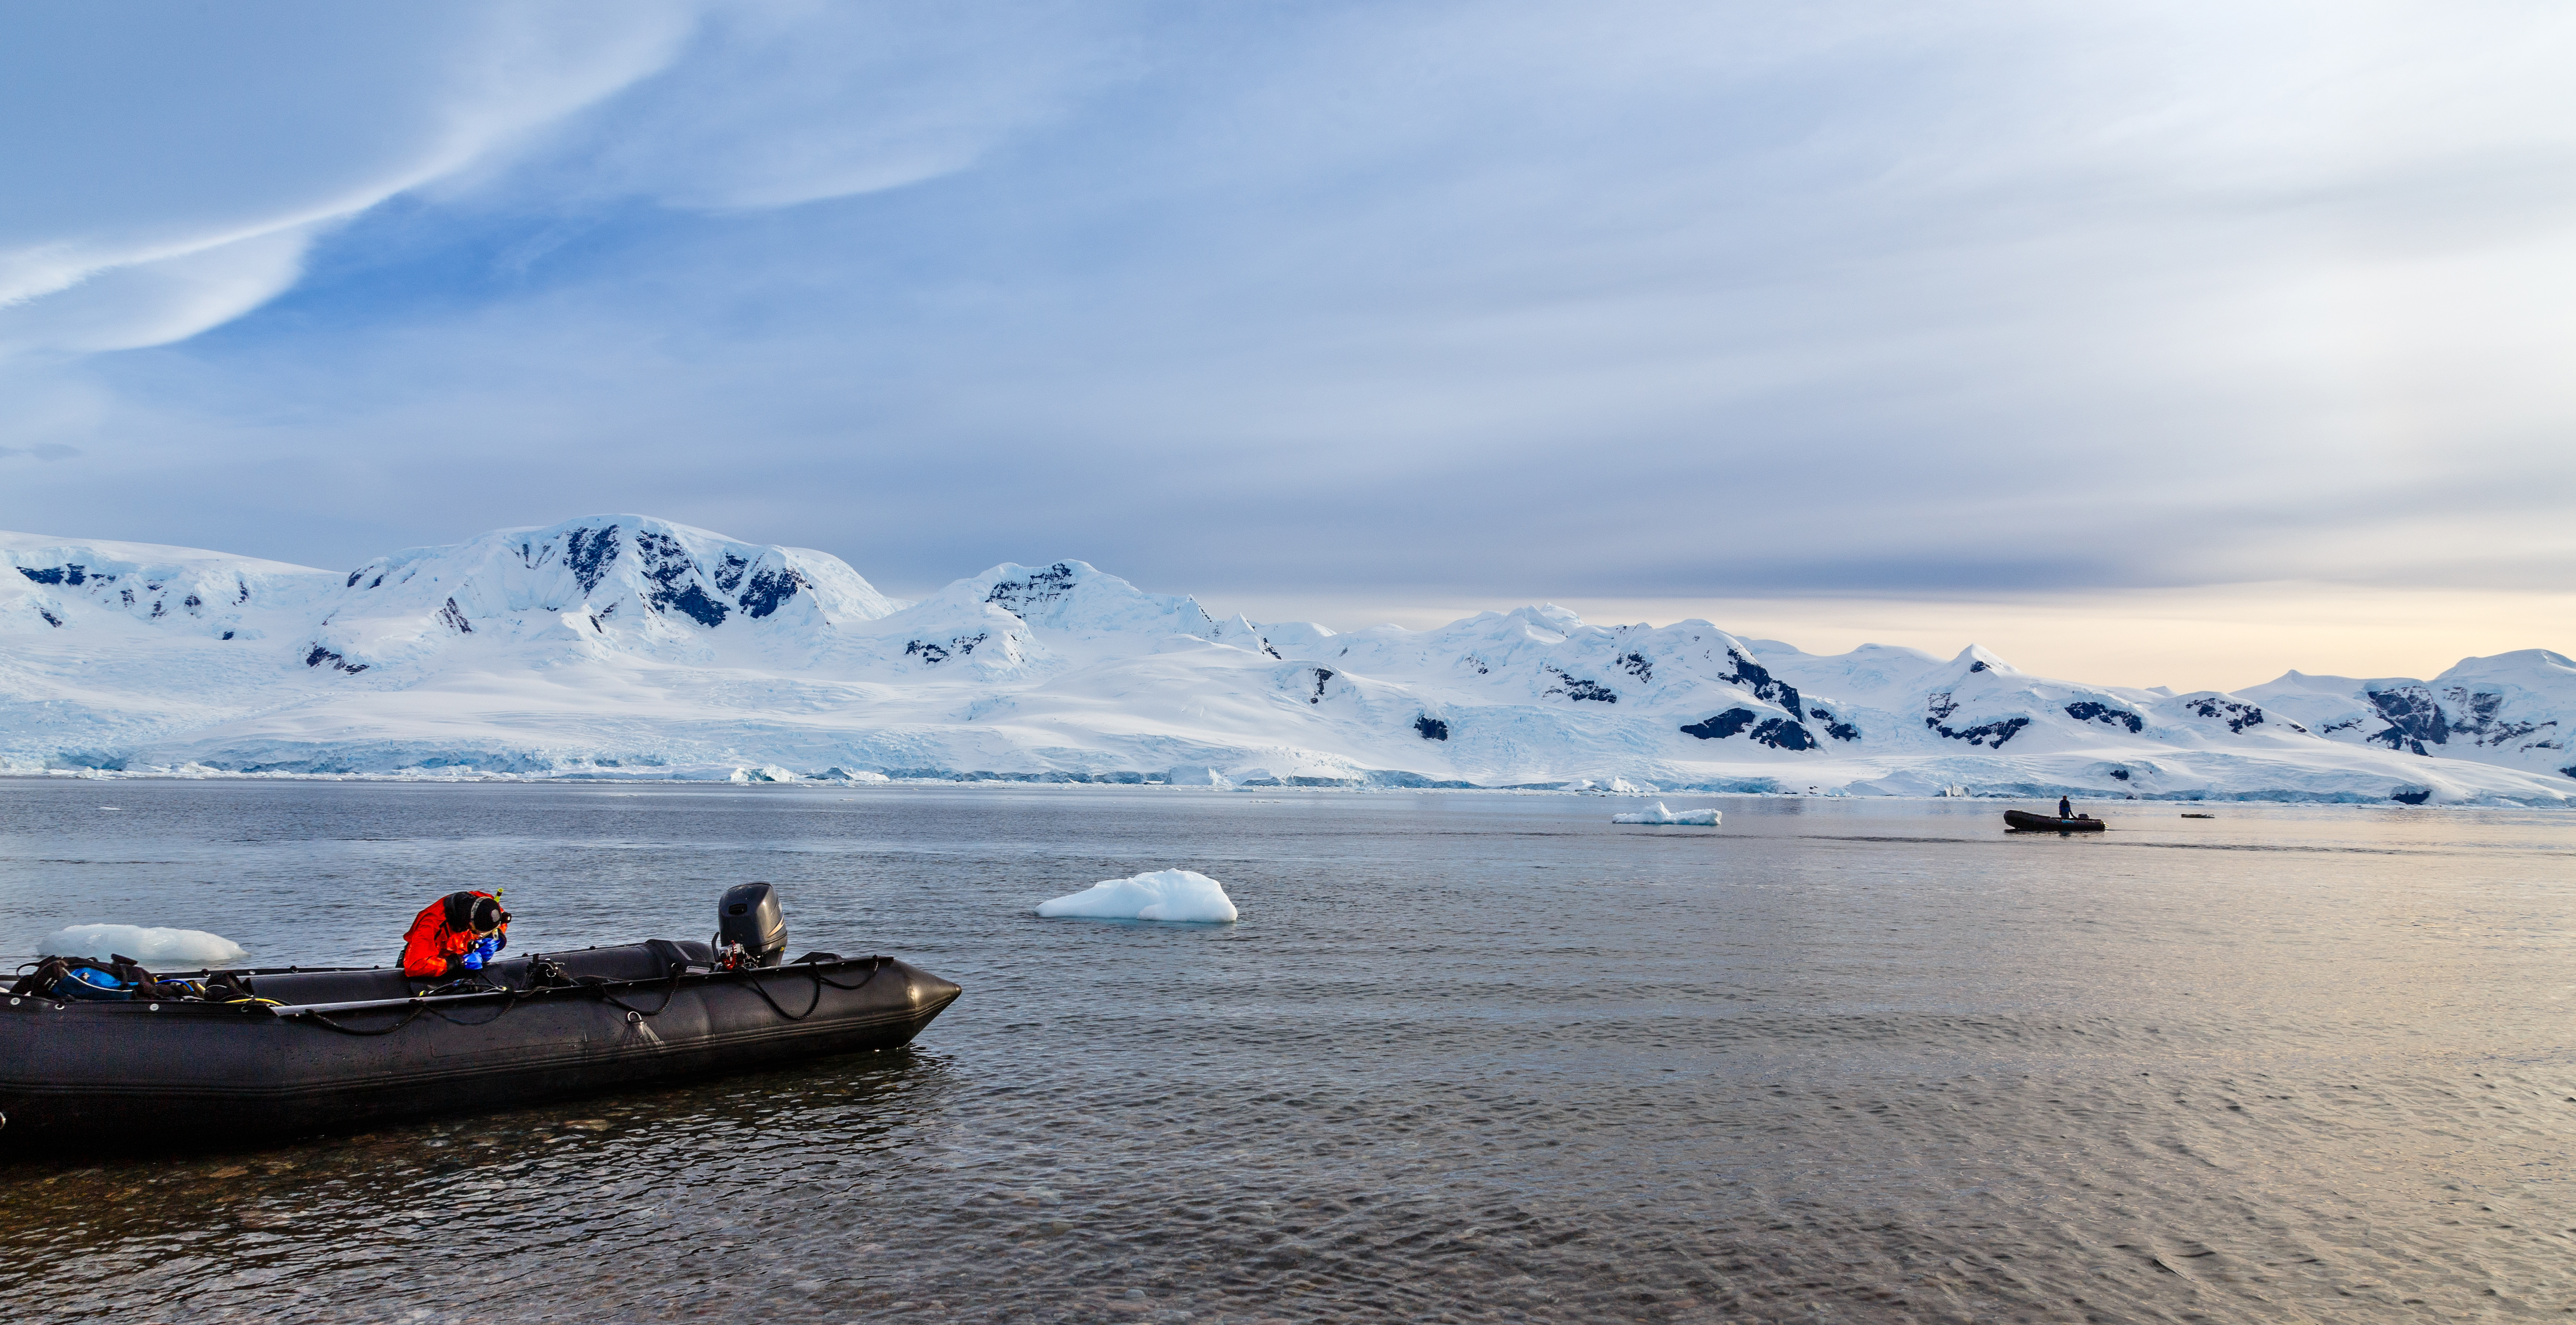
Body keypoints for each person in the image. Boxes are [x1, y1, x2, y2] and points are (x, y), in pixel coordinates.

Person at [400, 890, 511, 979]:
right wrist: (459, 962)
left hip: (465, 960)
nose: (481, 936)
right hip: (432, 961)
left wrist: (496, 940)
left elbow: (501, 921)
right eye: (479, 933)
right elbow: (415, 966)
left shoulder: (486, 903)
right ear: (470, 924)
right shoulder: (431, 925)